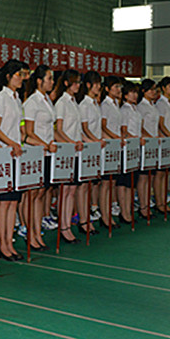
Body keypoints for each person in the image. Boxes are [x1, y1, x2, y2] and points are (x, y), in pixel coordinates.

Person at [0, 59, 25, 260]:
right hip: (5, 154)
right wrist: (11, 143)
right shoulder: (1, 98)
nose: (21, 79)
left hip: (16, 155)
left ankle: (9, 242)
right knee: (4, 203)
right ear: (8, 76)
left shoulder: (16, 98)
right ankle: (2, 244)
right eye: (18, 75)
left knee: (13, 202)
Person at [22, 64, 56, 250]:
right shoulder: (32, 102)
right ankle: (30, 233)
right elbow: (28, 132)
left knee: (41, 194)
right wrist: (44, 144)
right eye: (49, 78)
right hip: (35, 153)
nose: (52, 82)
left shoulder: (47, 100)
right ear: (39, 81)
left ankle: (36, 231)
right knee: (32, 194)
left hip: (47, 153)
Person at [52, 69, 83, 244]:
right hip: (65, 151)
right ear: (66, 83)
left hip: (76, 151)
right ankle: (63, 227)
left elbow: (78, 129)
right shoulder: (61, 103)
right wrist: (70, 142)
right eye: (75, 82)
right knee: (65, 191)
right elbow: (58, 130)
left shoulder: (74, 102)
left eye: (79, 82)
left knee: (72, 190)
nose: (77, 85)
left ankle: (67, 224)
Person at [77, 71, 103, 235]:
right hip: (87, 148)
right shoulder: (84, 105)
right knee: (83, 187)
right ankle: (83, 220)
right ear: (88, 85)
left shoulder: (95, 103)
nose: (99, 87)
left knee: (91, 186)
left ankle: (88, 218)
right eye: (96, 84)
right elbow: (84, 128)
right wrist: (95, 141)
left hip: (95, 148)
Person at [100, 76, 123, 230]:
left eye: (119, 87)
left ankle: (109, 213)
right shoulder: (105, 105)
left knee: (112, 183)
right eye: (115, 87)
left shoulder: (116, 104)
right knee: (106, 183)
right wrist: (115, 137)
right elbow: (103, 126)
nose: (119, 90)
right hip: (108, 146)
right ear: (107, 89)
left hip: (116, 146)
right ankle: (104, 216)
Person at [119, 81, 143, 223]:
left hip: (135, 149)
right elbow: (123, 130)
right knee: (124, 182)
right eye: (132, 92)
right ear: (125, 95)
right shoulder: (124, 110)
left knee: (132, 182)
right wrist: (133, 138)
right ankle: (124, 211)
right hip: (126, 149)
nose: (135, 95)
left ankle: (129, 210)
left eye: (136, 92)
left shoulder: (135, 109)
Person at [155, 76, 170, 215]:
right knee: (160, 174)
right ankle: (159, 202)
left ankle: (164, 200)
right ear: (163, 88)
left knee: (167, 173)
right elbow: (161, 124)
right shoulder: (161, 103)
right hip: (165, 142)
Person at [137, 79, 159, 219]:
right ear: (144, 91)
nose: (153, 92)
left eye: (155, 89)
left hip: (153, 144)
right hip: (145, 144)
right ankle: (143, 206)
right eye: (150, 89)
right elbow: (141, 127)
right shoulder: (141, 107)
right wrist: (150, 137)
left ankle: (147, 203)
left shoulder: (153, 106)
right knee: (143, 177)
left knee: (150, 176)